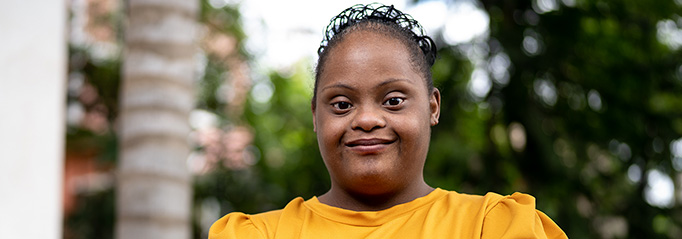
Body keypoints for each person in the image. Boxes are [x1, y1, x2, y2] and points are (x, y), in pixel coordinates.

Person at [209, 3, 567, 238]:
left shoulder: (495, 226)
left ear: (432, 107)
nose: (366, 119)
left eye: (393, 101)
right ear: (315, 118)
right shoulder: (255, 235)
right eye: (341, 104)